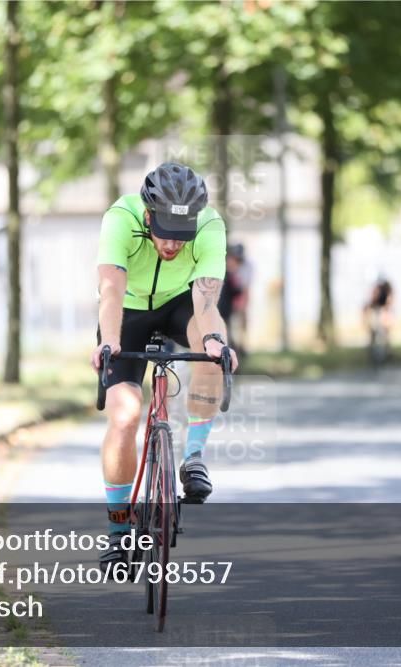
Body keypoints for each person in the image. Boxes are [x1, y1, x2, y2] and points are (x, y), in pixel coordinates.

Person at [91, 162, 239, 567]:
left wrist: (214, 340)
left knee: (210, 351)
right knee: (125, 415)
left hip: (179, 304)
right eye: (165, 235)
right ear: (147, 214)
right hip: (129, 310)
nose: (172, 246)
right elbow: (111, 290)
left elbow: (206, 301)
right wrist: (109, 342)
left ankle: (193, 458)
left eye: (181, 237)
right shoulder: (120, 219)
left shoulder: (210, 226)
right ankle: (120, 531)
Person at [362, 275, 394, 348]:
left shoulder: (385, 288)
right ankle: (373, 345)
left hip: (383, 309)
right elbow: (372, 301)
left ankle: (386, 348)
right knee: (374, 329)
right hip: (377, 309)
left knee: (385, 330)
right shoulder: (377, 288)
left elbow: (389, 300)